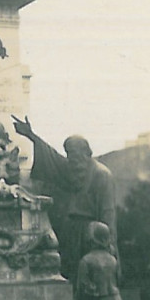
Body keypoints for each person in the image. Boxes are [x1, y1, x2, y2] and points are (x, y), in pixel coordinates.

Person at [11, 114, 117, 284]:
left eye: (75, 154)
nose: (72, 159)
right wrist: (31, 135)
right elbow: (52, 157)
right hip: (70, 231)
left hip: (92, 234)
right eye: (69, 154)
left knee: (91, 276)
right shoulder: (72, 170)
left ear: (87, 153)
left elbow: (108, 213)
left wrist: (109, 244)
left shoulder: (102, 175)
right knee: (71, 272)